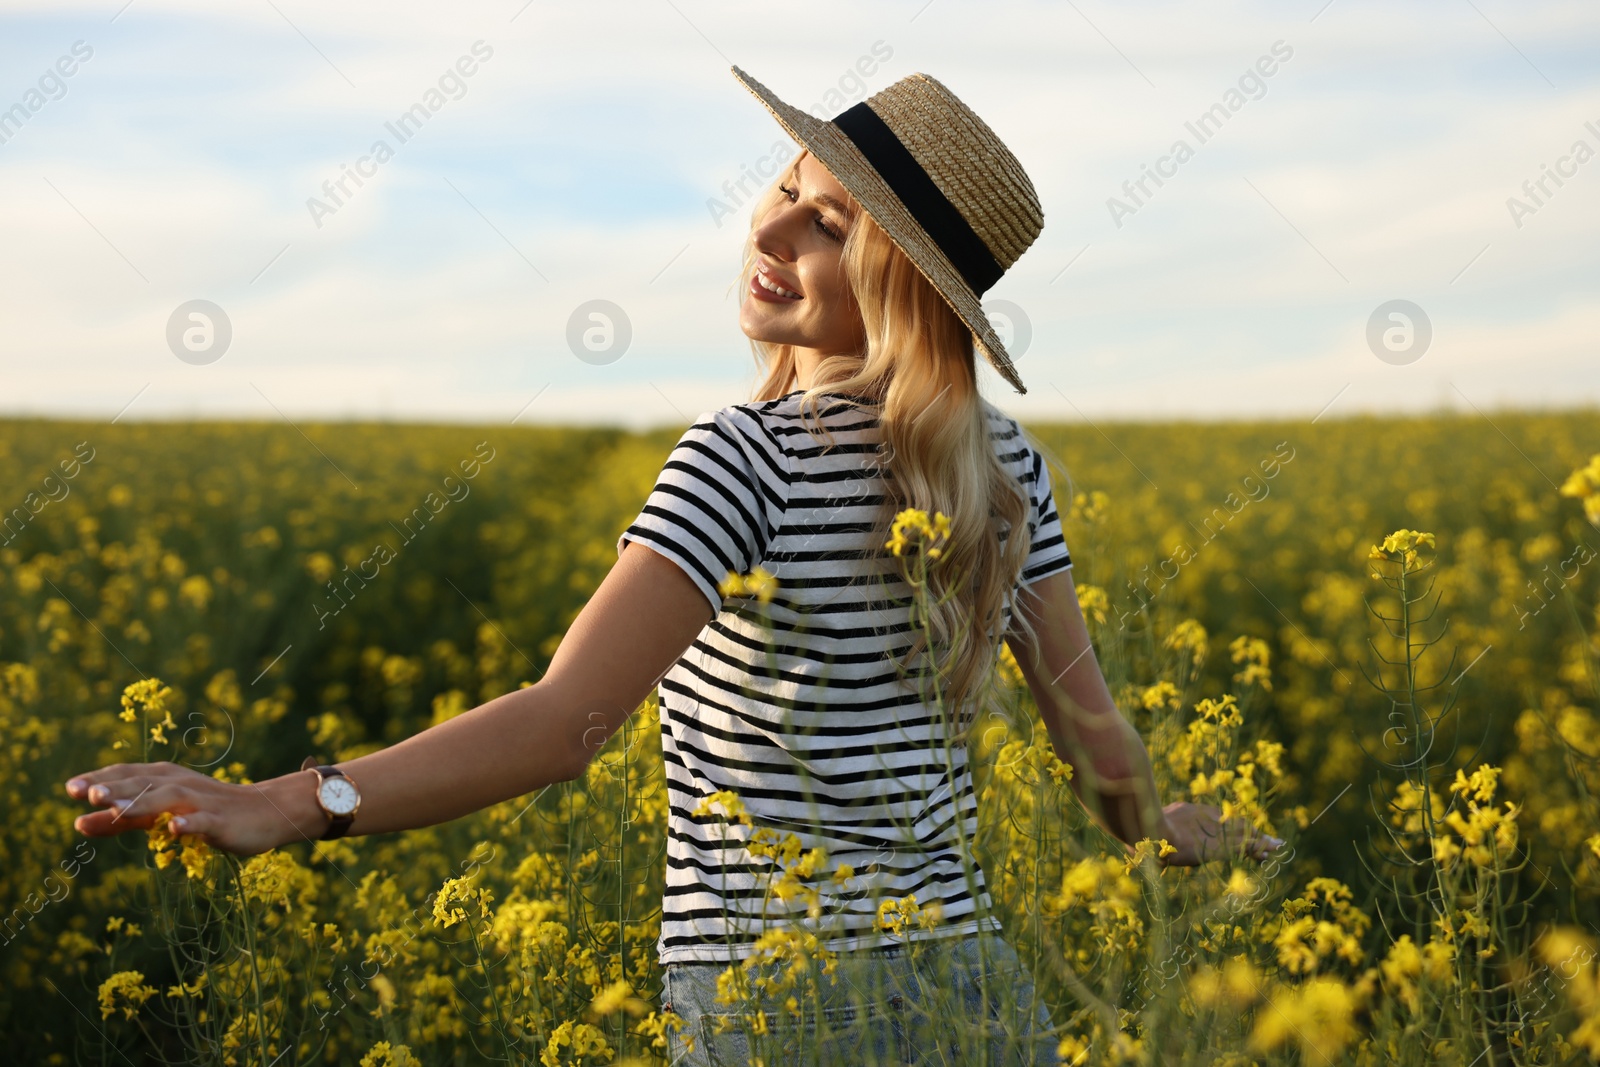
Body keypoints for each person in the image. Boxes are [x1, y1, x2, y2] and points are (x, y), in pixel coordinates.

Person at [65, 67, 1284, 1065]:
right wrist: (1159, 828)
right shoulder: (1008, 472)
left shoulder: (740, 460)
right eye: (788, 190)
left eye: (832, 224)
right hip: (975, 996)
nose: (768, 229)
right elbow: (1093, 732)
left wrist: (288, 801)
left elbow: (562, 722)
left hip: (779, 1004)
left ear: (903, 286)